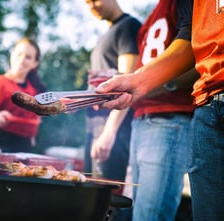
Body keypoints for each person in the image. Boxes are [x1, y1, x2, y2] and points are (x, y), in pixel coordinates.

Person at [95, 1, 224, 220]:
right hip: (165, 111)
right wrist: (138, 82)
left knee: (149, 214)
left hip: (170, 117)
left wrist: (162, 85)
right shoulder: (153, 16)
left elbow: (192, 46)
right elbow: (193, 41)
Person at [83, 0, 141, 196]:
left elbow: (128, 85)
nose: (91, 6)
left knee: (106, 200)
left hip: (113, 129)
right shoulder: (106, 34)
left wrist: (108, 133)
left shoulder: (128, 27)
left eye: (94, 0)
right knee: (89, 195)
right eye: (87, 2)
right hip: (94, 127)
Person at [0, 37, 46, 152]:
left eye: (28, 57)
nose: (22, 60)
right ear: (12, 54)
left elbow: (35, 123)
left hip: (24, 152)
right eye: (19, 54)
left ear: (35, 64)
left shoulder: (35, 92)